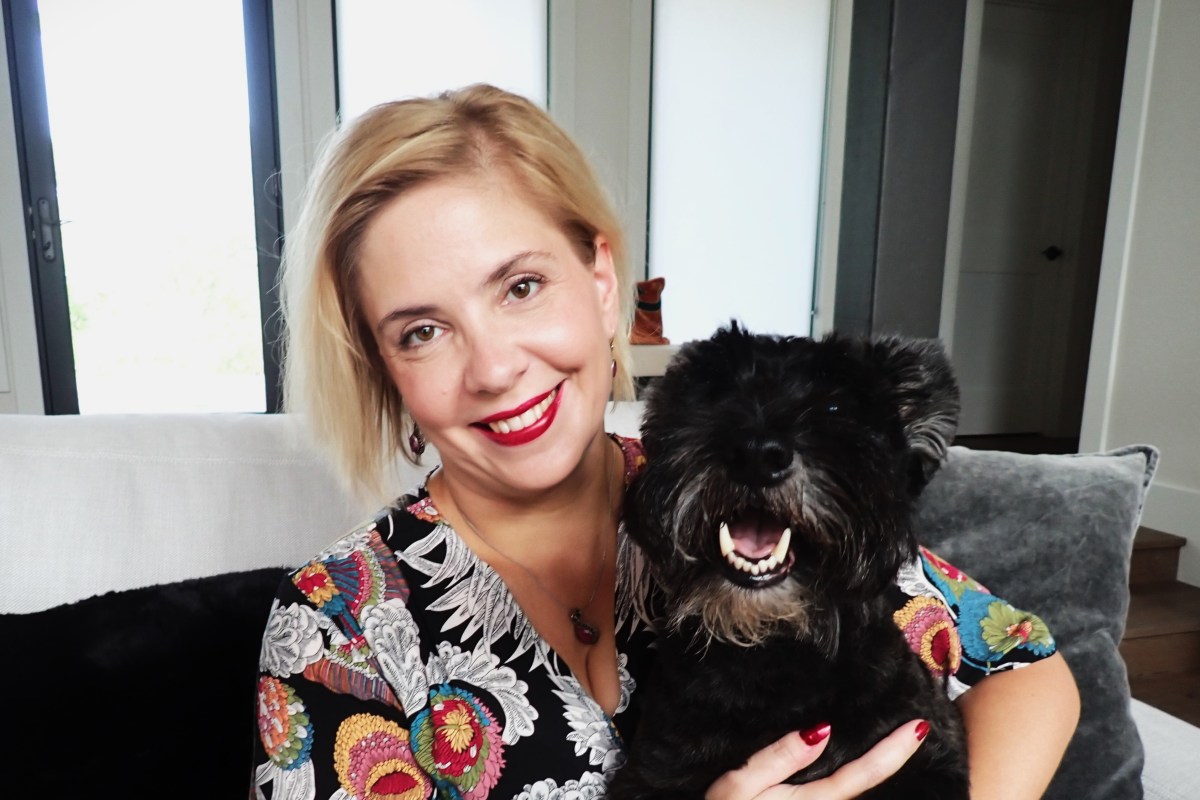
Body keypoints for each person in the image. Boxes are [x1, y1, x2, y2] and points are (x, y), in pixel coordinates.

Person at [251, 83, 1079, 799]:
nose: (495, 368)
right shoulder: (338, 625)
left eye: (522, 286)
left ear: (601, 281)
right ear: (382, 368)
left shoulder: (741, 502)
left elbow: (1028, 666)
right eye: (423, 331)